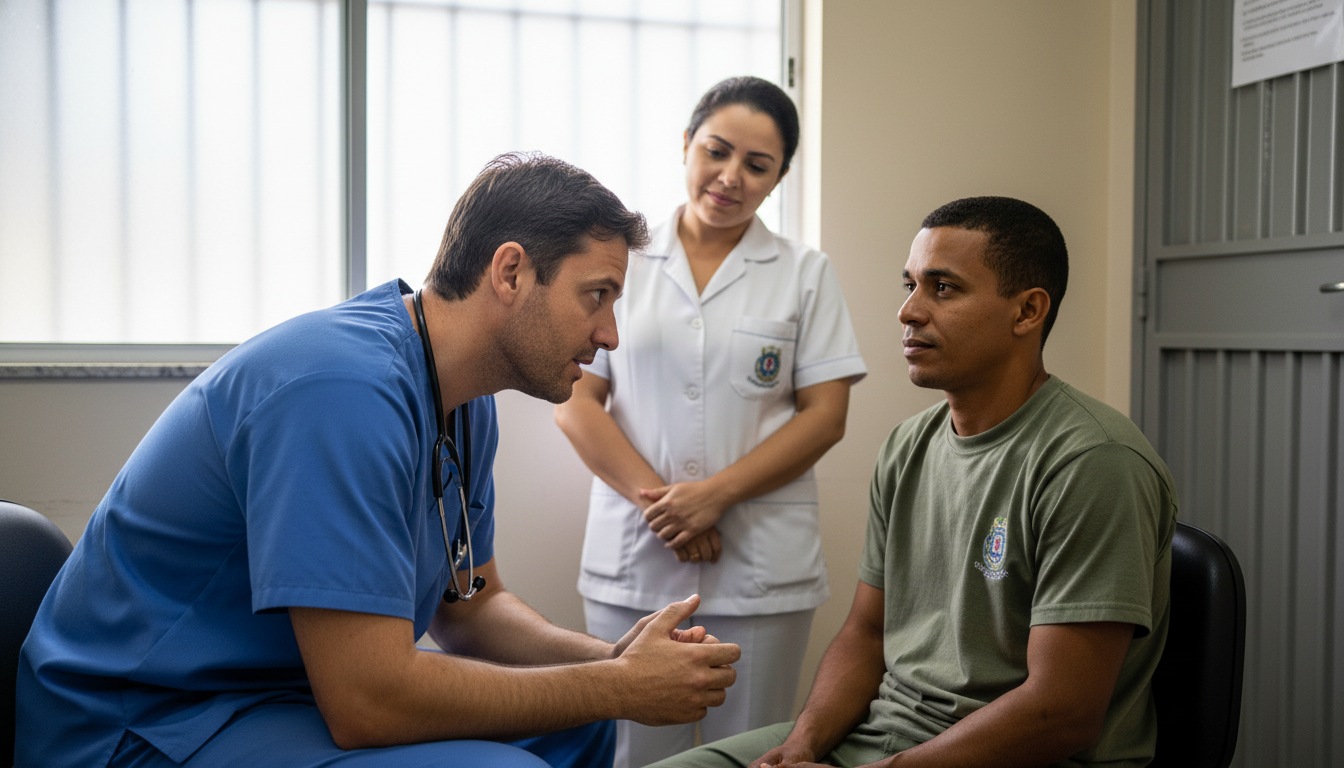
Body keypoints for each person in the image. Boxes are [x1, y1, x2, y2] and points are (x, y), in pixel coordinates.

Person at [15, 152, 742, 768]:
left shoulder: (462, 401)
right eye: (597, 296)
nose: (611, 333)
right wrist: (618, 687)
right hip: (141, 720)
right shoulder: (340, 391)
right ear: (511, 273)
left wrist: (610, 662)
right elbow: (367, 701)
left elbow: (472, 605)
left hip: (271, 693)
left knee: (578, 720)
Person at [648, 196, 1179, 768]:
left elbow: (1062, 710)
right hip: (884, 735)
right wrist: (799, 748)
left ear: (1027, 312)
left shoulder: (1093, 462)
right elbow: (867, 633)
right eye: (910, 285)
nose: (908, 311)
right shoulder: (909, 447)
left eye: (943, 288)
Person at [553, 76, 866, 768]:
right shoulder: (620, 262)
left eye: (757, 166)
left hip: (758, 566)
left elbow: (826, 416)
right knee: (636, 752)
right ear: (686, 145)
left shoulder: (803, 274)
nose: (730, 177)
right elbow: (576, 401)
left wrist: (715, 495)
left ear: (779, 176)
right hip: (637, 556)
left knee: (753, 750)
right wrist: (663, 507)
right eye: (716, 152)